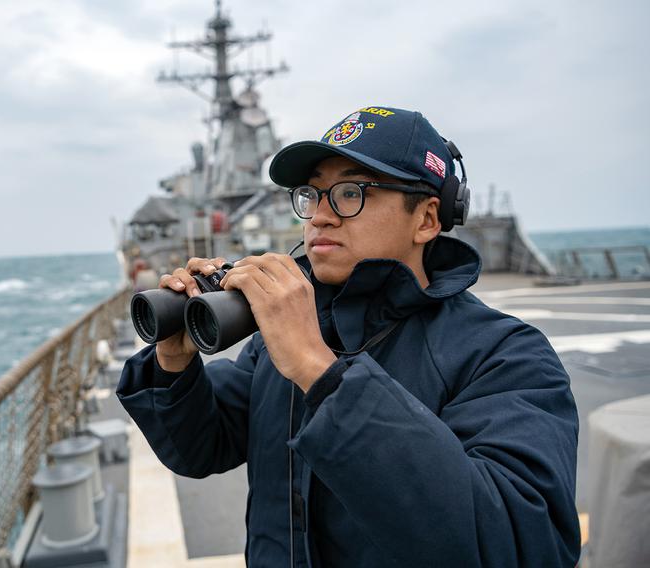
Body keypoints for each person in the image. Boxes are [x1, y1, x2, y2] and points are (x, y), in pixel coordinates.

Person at [116, 106, 580, 567]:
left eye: (350, 193)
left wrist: (321, 372)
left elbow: (523, 544)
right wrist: (173, 363)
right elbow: (201, 448)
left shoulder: (505, 355)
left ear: (426, 220)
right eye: (313, 195)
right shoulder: (283, 338)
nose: (320, 216)